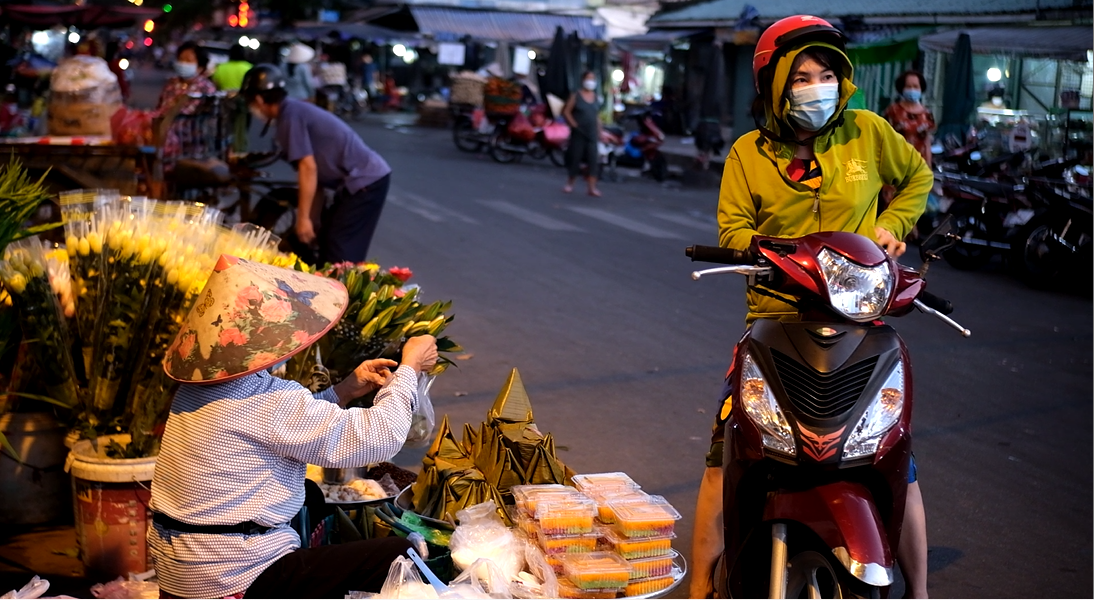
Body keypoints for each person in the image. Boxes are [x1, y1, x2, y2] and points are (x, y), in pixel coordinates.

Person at [690, 15, 933, 599]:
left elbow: (917, 178)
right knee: (726, 454)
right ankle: (701, 585)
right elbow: (733, 229)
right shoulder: (748, 154)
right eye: (802, 76)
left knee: (895, 454)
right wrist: (771, 253)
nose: (817, 85)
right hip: (777, 322)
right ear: (774, 83)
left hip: (858, 323)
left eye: (827, 74)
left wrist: (892, 227)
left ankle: (921, 591)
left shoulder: (869, 132)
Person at [149, 255, 438, 598]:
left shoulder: (194, 388)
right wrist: (410, 367)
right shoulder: (268, 398)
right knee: (398, 554)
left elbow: (280, 428)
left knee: (312, 497)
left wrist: (344, 391)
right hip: (230, 577)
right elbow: (379, 437)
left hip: (179, 568)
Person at [241, 65, 392, 265]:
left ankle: (345, 292)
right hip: (359, 180)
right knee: (326, 239)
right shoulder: (291, 112)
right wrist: (312, 220)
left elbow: (308, 168)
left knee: (339, 249)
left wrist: (303, 220)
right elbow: (316, 180)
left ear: (259, 100)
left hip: (366, 180)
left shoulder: (290, 117)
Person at [156, 42, 216, 163]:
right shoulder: (171, 84)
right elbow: (159, 107)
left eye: (188, 61)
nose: (183, 64)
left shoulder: (205, 88)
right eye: (180, 59)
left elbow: (188, 115)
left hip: (192, 145)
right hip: (164, 142)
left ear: (200, 66)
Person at [561, 70, 603, 197]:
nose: (590, 82)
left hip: (592, 133)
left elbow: (597, 116)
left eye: (592, 79)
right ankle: (570, 183)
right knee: (575, 157)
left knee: (593, 160)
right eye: (588, 78)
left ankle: (592, 187)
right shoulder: (576, 96)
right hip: (579, 132)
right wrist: (573, 123)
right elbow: (566, 111)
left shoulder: (596, 98)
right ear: (583, 80)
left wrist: (600, 131)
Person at [885, 70, 936, 167]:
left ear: (921, 89)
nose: (912, 89)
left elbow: (927, 142)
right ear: (902, 88)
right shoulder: (893, 111)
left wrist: (929, 167)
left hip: (919, 165)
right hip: (896, 164)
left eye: (916, 86)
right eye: (908, 86)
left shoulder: (927, 114)